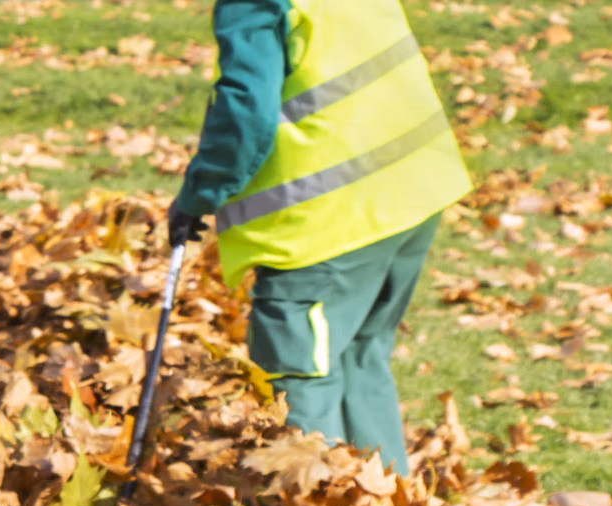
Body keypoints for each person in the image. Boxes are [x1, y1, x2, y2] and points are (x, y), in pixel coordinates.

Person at [167, 0, 471, 474]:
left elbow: (246, 111)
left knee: (299, 381)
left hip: (328, 215)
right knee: (360, 357)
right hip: (412, 187)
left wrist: (199, 194)